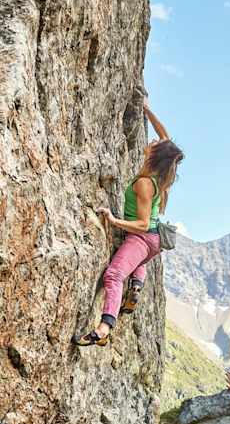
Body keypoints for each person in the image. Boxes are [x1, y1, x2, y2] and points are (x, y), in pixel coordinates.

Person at [74, 98, 183, 346]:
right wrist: (147, 110)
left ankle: (104, 328)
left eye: (154, 144)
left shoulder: (145, 183)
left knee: (113, 275)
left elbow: (143, 224)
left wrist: (113, 221)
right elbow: (165, 137)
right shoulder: (159, 176)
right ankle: (137, 283)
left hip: (144, 237)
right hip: (152, 244)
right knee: (136, 260)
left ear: (156, 156)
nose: (152, 141)